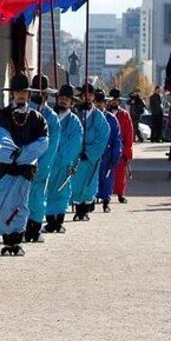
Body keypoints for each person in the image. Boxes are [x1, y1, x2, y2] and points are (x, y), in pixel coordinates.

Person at [0, 73, 48, 256]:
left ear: (29, 95)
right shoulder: (2, 115)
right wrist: (8, 154)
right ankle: (7, 241)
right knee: (0, 203)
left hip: (23, 170)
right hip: (4, 169)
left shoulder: (37, 118)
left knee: (19, 205)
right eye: (17, 92)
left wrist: (21, 156)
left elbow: (43, 142)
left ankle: (16, 241)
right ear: (12, 94)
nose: (21, 95)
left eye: (24, 92)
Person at [25, 74, 61, 243]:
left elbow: (52, 144)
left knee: (39, 196)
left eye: (43, 93)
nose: (41, 96)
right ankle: (21, 227)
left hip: (42, 163)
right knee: (22, 196)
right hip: (24, 162)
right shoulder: (23, 112)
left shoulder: (52, 117)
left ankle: (35, 227)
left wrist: (42, 163)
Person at [43, 84, 84, 233]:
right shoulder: (48, 118)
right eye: (61, 98)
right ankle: (49, 221)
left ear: (72, 103)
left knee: (61, 192)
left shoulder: (75, 123)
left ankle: (58, 222)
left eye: (66, 99)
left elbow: (74, 144)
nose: (63, 101)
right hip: (47, 162)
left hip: (63, 164)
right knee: (45, 192)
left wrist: (60, 158)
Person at [69, 83, 111, 221]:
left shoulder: (98, 116)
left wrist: (90, 152)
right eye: (85, 95)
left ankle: (84, 210)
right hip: (76, 155)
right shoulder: (74, 113)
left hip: (91, 156)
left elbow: (103, 136)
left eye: (90, 95)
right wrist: (76, 149)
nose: (88, 97)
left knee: (89, 184)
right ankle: (77, 209)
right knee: (75, 183)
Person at [95, 90, 123, 213]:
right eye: (97, 102)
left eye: (101, 102)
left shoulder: (111, 119)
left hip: (107, 155)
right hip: (94, 154)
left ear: (105, 104)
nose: (99, 105)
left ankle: (106, 202)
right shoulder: (89, 117)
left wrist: (116, 156)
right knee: (92, 180)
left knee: (107, 179)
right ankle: (89, 201)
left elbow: (117, 139)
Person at [108, 89, 134, 203]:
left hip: (120, 147)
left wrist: (128, 152)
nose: (114, 102)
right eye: (112, 100)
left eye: (116, 100)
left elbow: (129, 134)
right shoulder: (103, 114)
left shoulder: (124, 115)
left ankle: (120, 193)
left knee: (120, 173)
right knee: (105, 172)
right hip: (106, 147)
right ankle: (104, 195)